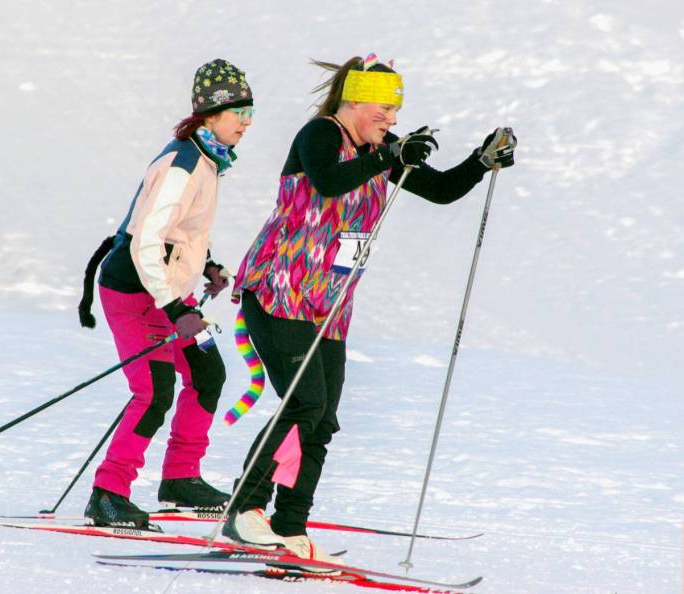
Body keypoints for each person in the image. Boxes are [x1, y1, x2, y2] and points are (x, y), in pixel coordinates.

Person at [223, 54, 516, 563]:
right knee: (303, 405)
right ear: (354, 100)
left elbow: (443, 191)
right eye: (383, 109)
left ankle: (290, 524)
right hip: (280, 290)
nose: (392, 120)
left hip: (328, 305)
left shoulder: (381, 151)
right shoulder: (320, 134)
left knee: (323, 419)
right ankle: (246, 510)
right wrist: (390, 156)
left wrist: (482, 160)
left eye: (396, 112)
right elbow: (328, 182)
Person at [76, 58, 255, 529]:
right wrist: (176, 308)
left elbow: (182, 229)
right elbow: (146, 242)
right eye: (239, 110)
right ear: (212, 114)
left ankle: (180, 481)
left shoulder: (208, 156)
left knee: (208, 372)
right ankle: (107, 494)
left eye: (249, 110)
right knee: (153, 392)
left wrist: (208, 263)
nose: (247, 120)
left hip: (169, 294)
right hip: (136, 294)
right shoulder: (184, 163)